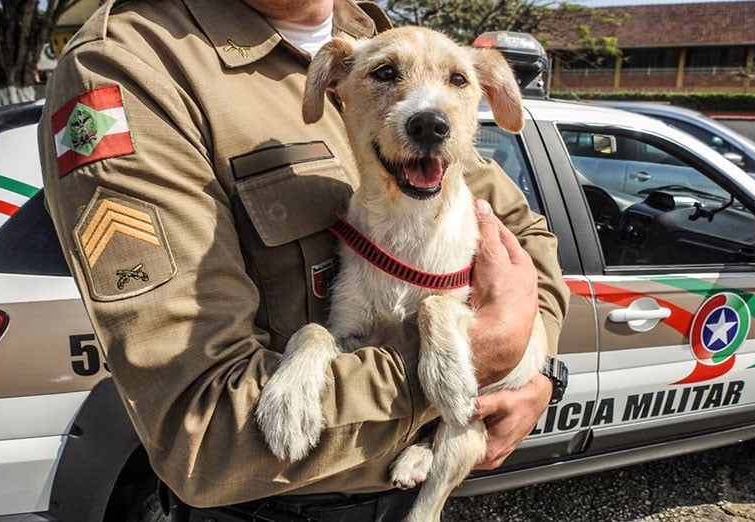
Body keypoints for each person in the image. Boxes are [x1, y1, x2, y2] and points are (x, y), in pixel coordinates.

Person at [38, 0, 570, 519]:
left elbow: (525, 230)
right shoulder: (135, 63)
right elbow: (200, 436)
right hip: (276, 504)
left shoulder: (381, 39)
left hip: (419, 488)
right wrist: (463, 362)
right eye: (387, 76)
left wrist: (536, 374)